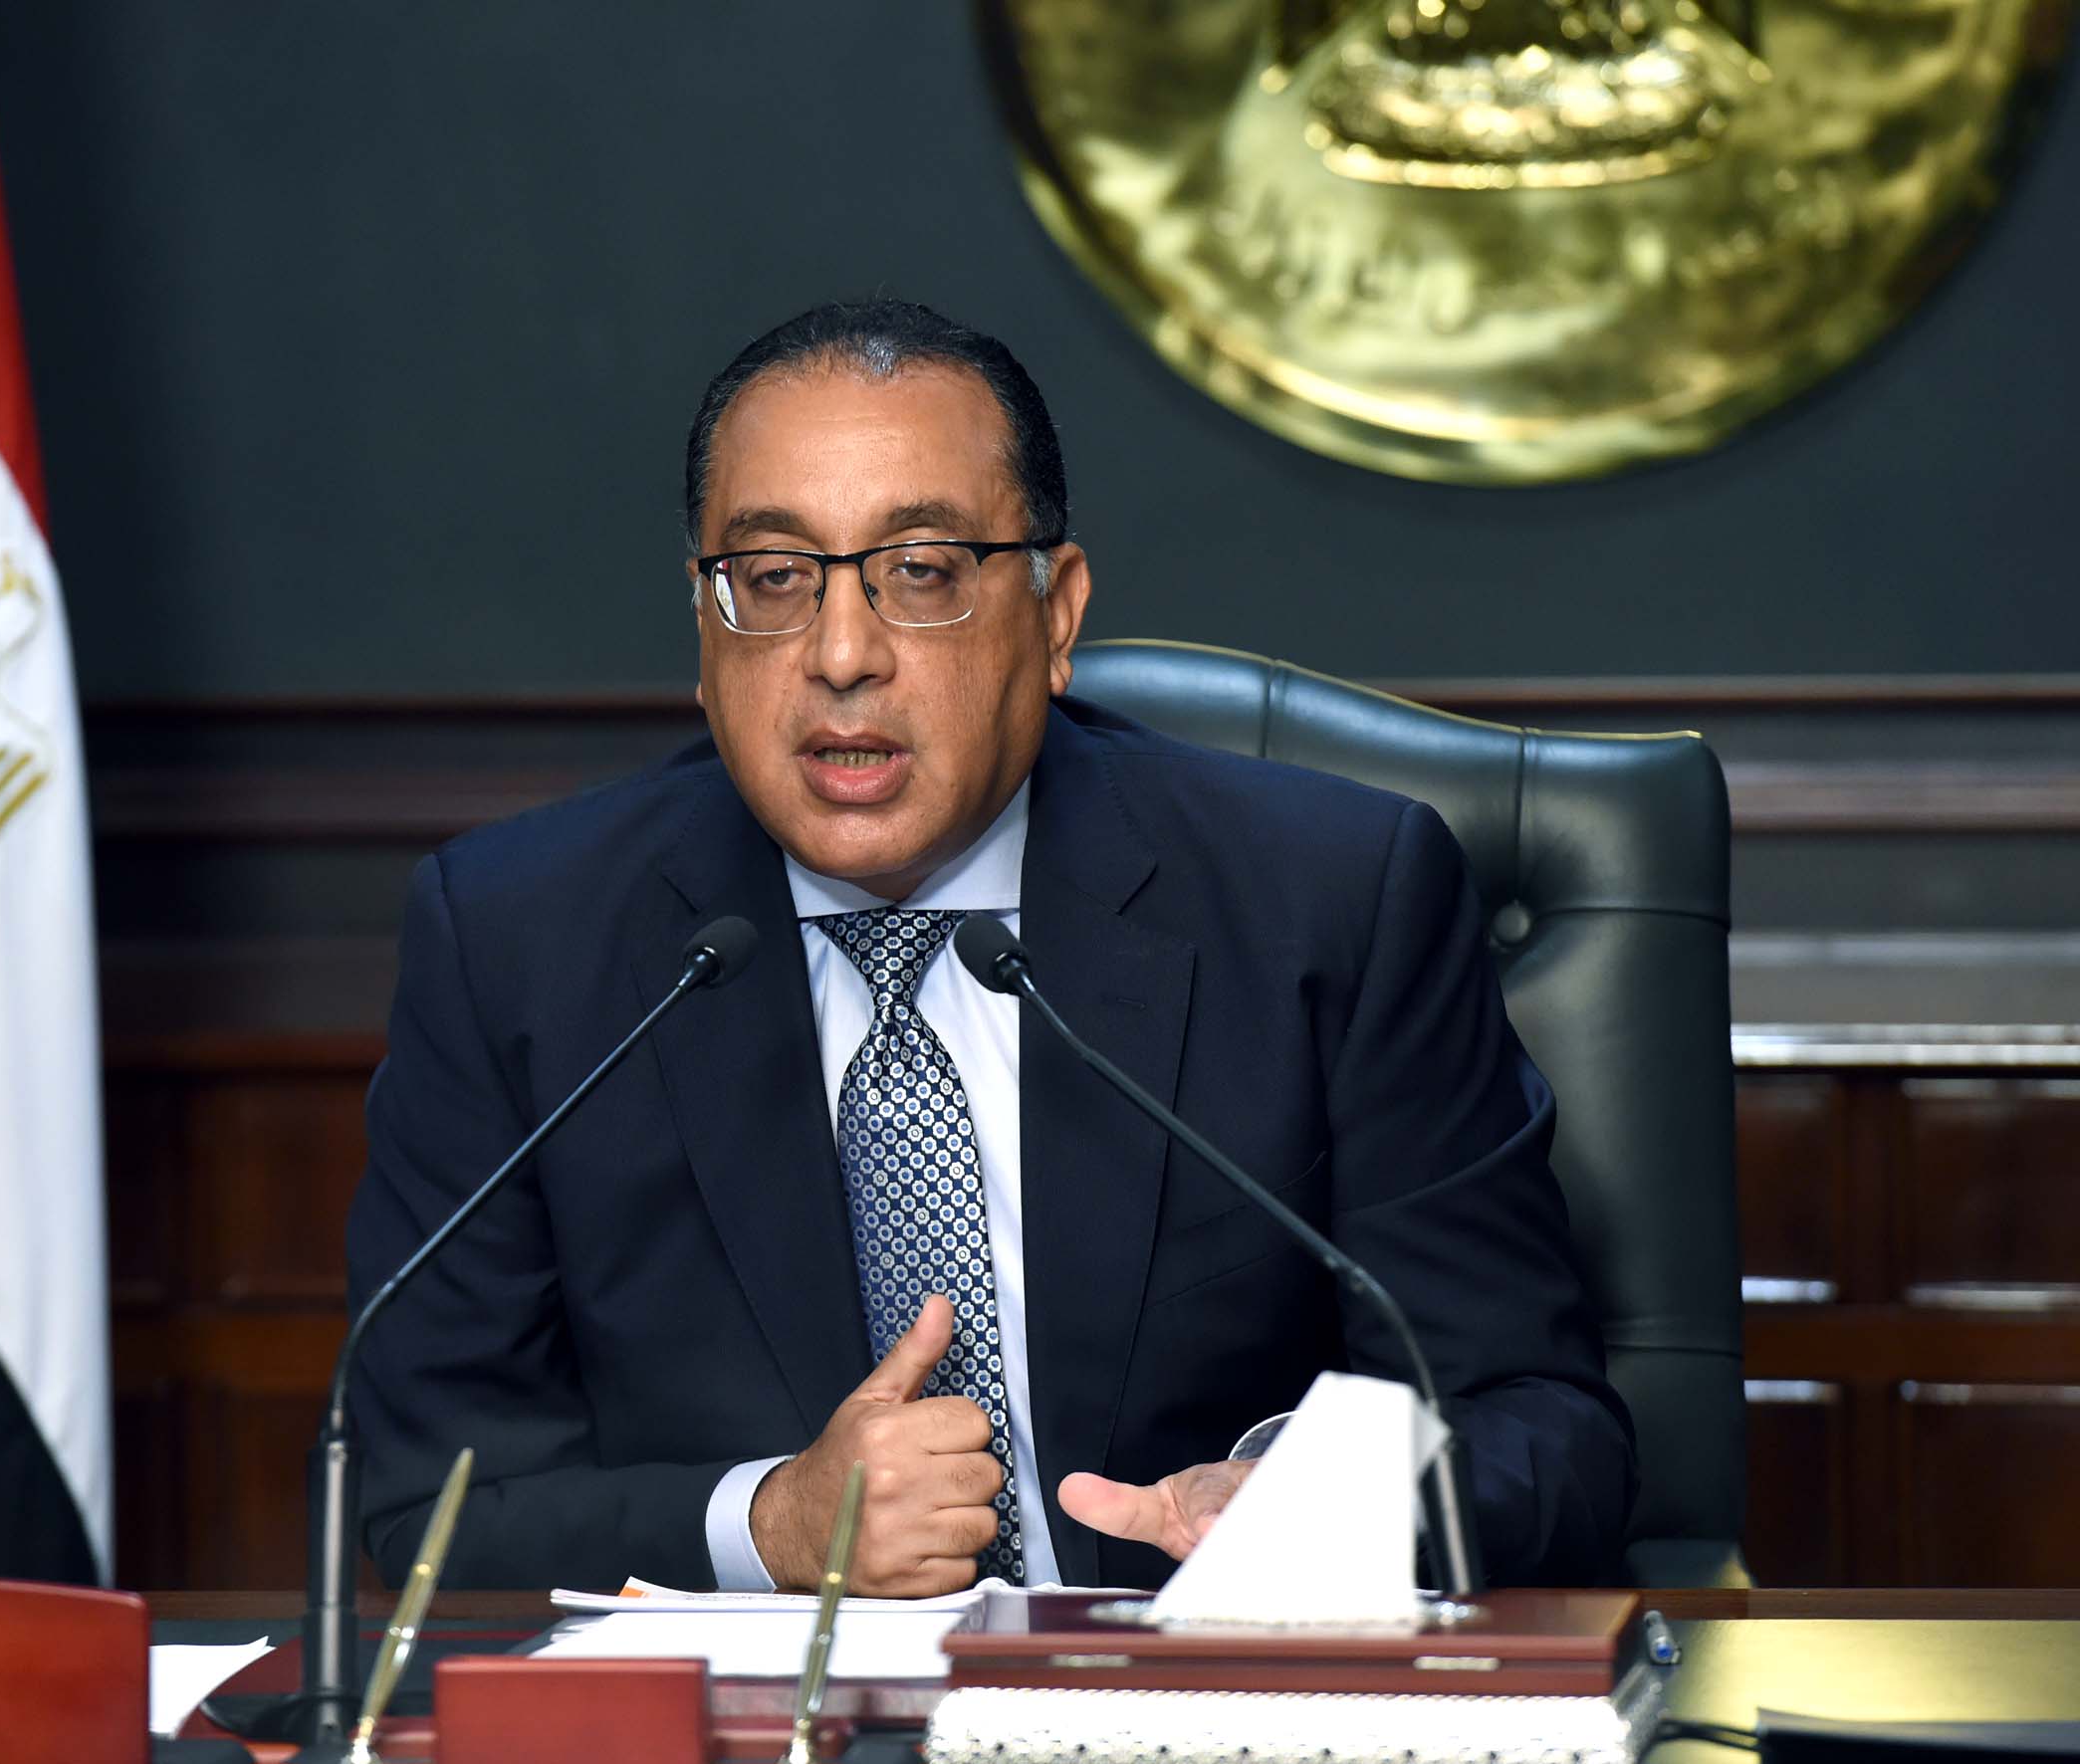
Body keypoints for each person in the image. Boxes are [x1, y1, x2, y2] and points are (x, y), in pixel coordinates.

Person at [346, 300, 1636, 1596]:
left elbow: (1542, 1428)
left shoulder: (1330, 903)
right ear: (704, 625)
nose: (841, 656)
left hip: (1183, 1686)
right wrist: (771, 1527)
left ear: (1055, 616)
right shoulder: (519, 944)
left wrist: (1309, 1513)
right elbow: (427, 1504)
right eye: (774, 579)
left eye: (923, 571)